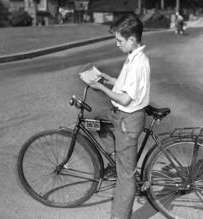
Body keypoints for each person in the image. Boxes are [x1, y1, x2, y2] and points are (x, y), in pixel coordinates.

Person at [89, 13, 151, 219]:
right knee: (95, 120)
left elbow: (125, 99)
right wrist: (107, 79)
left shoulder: (137, 63)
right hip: (120, 116)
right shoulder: (134, 56)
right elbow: (127, 86)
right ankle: (115, 158)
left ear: (132, 39)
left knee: (125, 178)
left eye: (119, 40)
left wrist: (101, 88)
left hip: (127, 120)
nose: (117, 44)